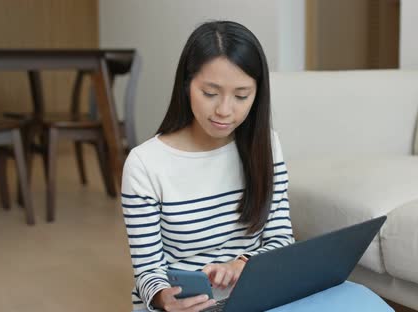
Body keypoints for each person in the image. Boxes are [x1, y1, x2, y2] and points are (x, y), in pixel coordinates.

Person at [121, 20, 294, 312]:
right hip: (185, 305)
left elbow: (281, 238)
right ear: (187, 85)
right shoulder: (145, 164)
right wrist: (165, 299)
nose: (225, 110)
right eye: (210, 93)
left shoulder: (266, 145)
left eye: (241, 96)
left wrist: (243, 265)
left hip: (254, 295)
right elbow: (148, 271)